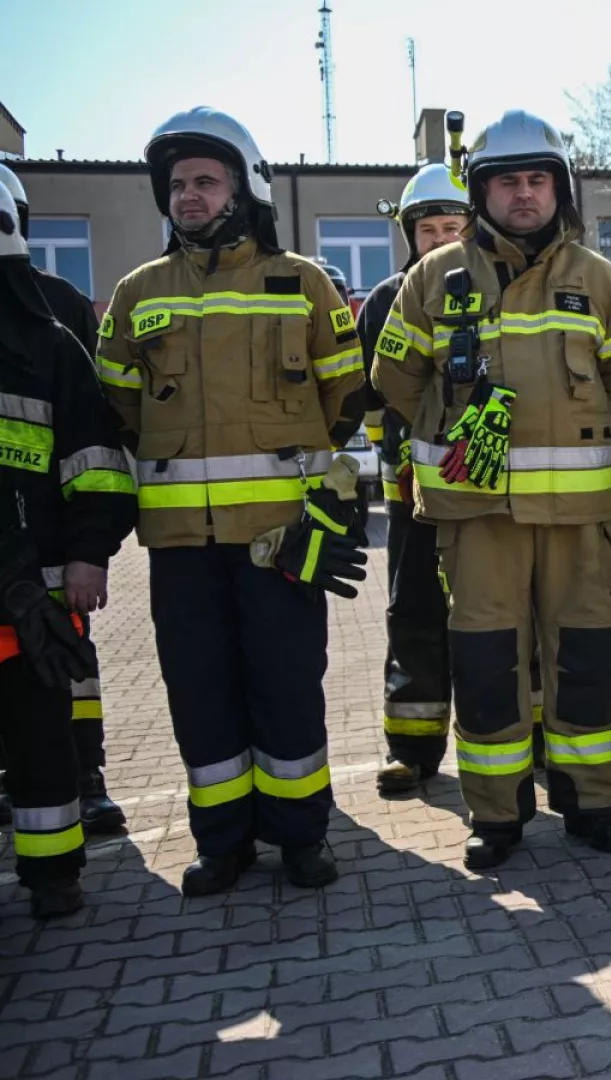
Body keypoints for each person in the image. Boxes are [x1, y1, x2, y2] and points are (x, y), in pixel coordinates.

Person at [94, 107, 368, 894]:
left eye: (205, 181)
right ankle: (223, 842)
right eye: (176, 184)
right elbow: (116, 411)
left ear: (243, 187)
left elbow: (348, 407)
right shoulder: (135, 294)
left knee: (287, 688)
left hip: (281, 543)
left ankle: (301, 837)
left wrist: (330, 511)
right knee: (200, 693)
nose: (188, 196)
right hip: (181, 547)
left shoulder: (304, 285)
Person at [373, 109, 611, 869]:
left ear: (559, 188)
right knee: (489, 665)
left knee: (585, 661)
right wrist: (459, 437)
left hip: (577, 520)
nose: (524, 195)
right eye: (507, 182)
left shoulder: (602, 282)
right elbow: (395, 379)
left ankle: (593, 803)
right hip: (476, 518)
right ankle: (496, 815)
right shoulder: (434, 279)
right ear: (480, 191)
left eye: (538, 180)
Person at [0, 183, 137, 917]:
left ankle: (53, 875)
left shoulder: (46, 339)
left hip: (41, 594)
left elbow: (99, 462)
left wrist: (90, 555)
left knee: (42, 740)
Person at [359, 161, 470, 794]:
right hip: (413, 495)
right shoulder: (385, 303)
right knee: (414, 613)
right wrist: (395, 465)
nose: (442, 239)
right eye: (430, 228)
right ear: (410, 234)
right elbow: (373, 402)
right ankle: (413, 747)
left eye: (454, 226)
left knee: (499, 616)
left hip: (487, 493)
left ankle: (530, 739)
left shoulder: (495, 294)